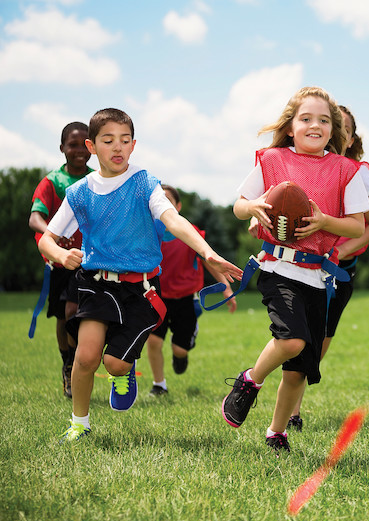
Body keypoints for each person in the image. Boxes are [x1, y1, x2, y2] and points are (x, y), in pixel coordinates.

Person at [38, 108, 242, 443]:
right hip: (95, 283)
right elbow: (48, 238)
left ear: (133, 145)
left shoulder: (145, 183)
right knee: (85, 356)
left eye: (124, 140)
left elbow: (173, 220)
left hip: (141, 288)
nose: (117, 147)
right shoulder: (80, 192)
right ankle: (79, 423)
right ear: (92, 146)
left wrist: (208, 253)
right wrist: (61, 254)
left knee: (114, 363)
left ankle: (123, 371)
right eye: (108, 141)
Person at [222, 86, 369, 455]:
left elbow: (357, 226)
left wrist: (324, 221)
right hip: (278, 267)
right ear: (291, 126)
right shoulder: (272, 160)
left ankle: (276, 433)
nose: (314, 125)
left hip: (318, 276)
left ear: (334, 130)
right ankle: (249, 382)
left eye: (323, 120)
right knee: (291, 340)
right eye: (306, 118)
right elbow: (239, 206)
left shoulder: (345, 170)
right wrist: (253, 205)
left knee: (300, 369)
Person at [284, 104, 369, 431]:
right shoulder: (302, 163)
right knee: (298, 336)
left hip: (339, 269)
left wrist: (339, 252)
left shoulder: (358, 171)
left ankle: (293, 400)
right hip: (302, 266)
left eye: (344, 128)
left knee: (321, 339)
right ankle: (291, 411)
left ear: (351, 137)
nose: (335, 132)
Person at [146, 184, 237, 397]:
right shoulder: (148, 234)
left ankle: (181, 353)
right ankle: (159, 385)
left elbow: (209, 261)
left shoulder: (190, 232)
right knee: (153, 340)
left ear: (178, 206)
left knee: (179, 349)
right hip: (157, 297)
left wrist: (226, 288)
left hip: (185, 299)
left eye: (168, 200)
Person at [29, 121, 93, 398]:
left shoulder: (97, 178)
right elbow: (35, 218)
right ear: (62, 148)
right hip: (60, 261)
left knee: (79, 313)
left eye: (83, 144)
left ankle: (81, 361)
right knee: (63, 315)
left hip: (91, 262)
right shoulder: (52, 181)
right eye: (72, 144)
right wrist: (52, 236)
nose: (79, 150)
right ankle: (69, 365)